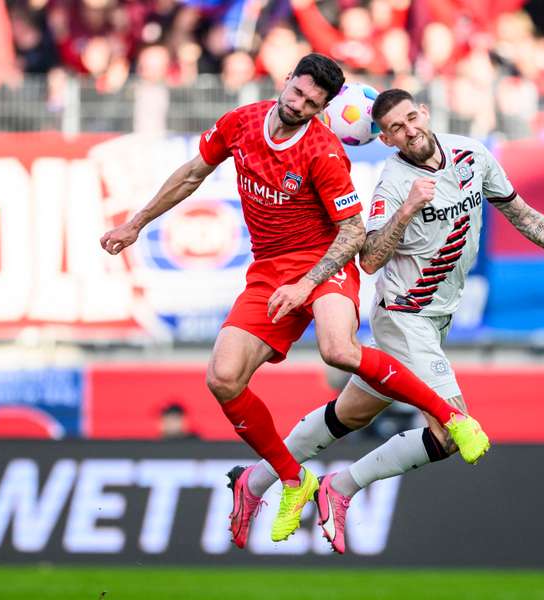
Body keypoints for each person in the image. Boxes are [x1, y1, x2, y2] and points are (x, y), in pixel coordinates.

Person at [99, 57, 490, 545]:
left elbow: (352, 234)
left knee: (339, 350)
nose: (299, 104)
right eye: (298, 92)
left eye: (312, 103)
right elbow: (191, 174)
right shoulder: (240, 123)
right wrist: (135, 224)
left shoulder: (324, 151)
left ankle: (452, 417)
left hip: (326, 263)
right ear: (287, 80)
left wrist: (308, 283)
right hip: (268, 272)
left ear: (324, 110)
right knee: (222, 379)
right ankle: (289, 478)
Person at [227, 88, 544, 554]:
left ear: (425, 112)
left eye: (412, 118)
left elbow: (522, 214)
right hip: (403, 316)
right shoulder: (393, 183)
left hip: (437, 318)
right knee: (450, 432)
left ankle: (252, 482)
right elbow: (372, 259)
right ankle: (342, 487)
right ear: (386, 139)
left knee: (350, 413)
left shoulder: (472, 155)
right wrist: (407, 209)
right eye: (396, 128)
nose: (410, 130)